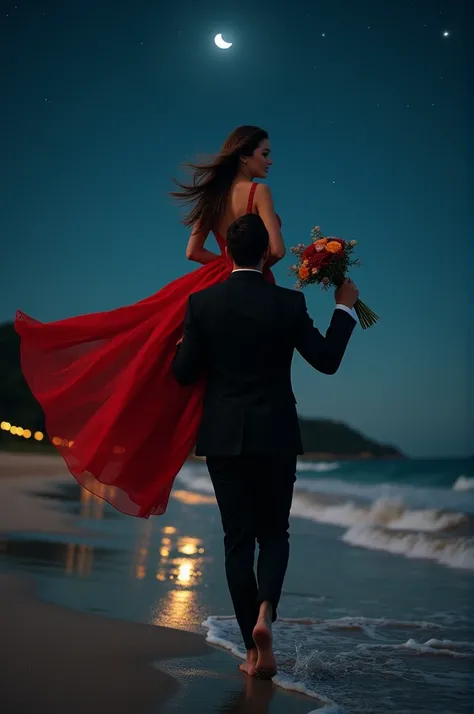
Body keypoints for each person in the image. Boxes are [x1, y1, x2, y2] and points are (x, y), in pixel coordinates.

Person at [13, 126, 285, 518]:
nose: (270, 160)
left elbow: (193, 252)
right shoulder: (260, 194)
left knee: (159, 358)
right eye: (265, 153)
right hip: (249, 283)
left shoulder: (212, 197)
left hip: (208, 285)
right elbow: (275, 249)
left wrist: (225, 265)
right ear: (245, 156)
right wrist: (247, 268)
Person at [172, 213, 358, 679]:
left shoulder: (202, 305)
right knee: (274, 534)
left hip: (223, 439)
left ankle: (253, 654)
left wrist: (183, 341)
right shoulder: (288, 304)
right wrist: (344, 308)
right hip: (276, 435)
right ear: (265, 253)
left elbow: (182, 374)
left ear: (230, 253)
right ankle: (264, 618)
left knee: (237, 543)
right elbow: (327, 361)